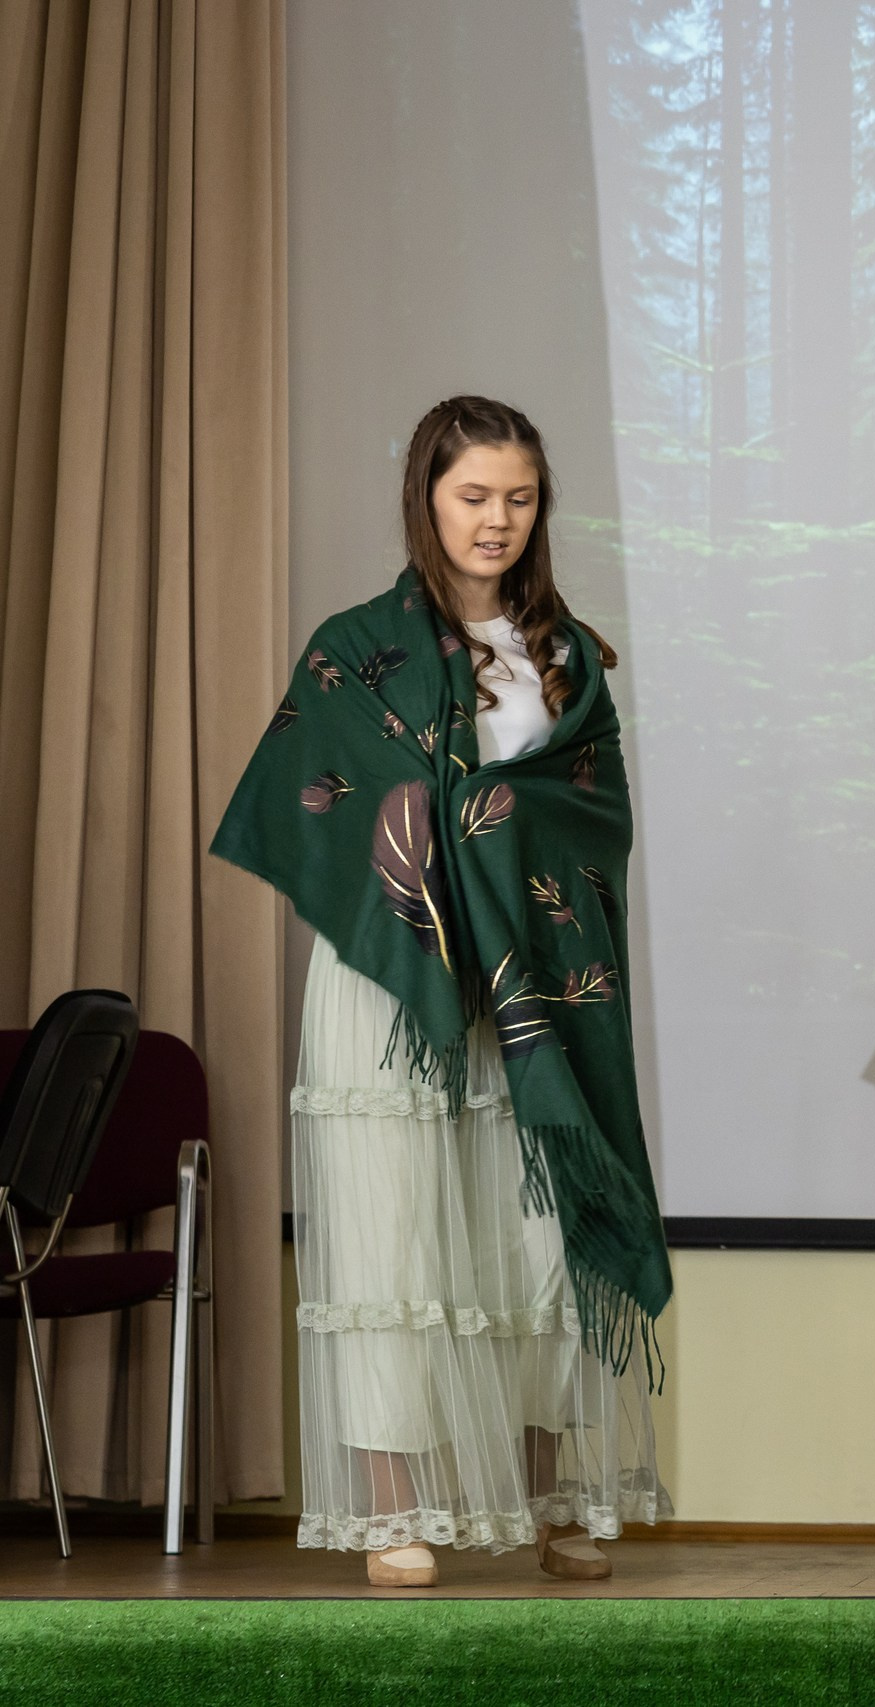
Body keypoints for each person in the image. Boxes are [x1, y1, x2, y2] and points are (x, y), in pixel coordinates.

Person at [214, 396, 670, 1588]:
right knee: (393, 1234)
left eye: (520, 499)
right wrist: (457, 828)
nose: (498, 521)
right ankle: (391, 1512)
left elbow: (593, 818)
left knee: (532, 1237)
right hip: (394, 980)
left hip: (522, 986)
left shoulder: (564, 655)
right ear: (426, 495)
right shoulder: (353, 647)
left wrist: (498, 825)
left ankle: (550, 1499)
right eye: (475, 496)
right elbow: (327, 807)